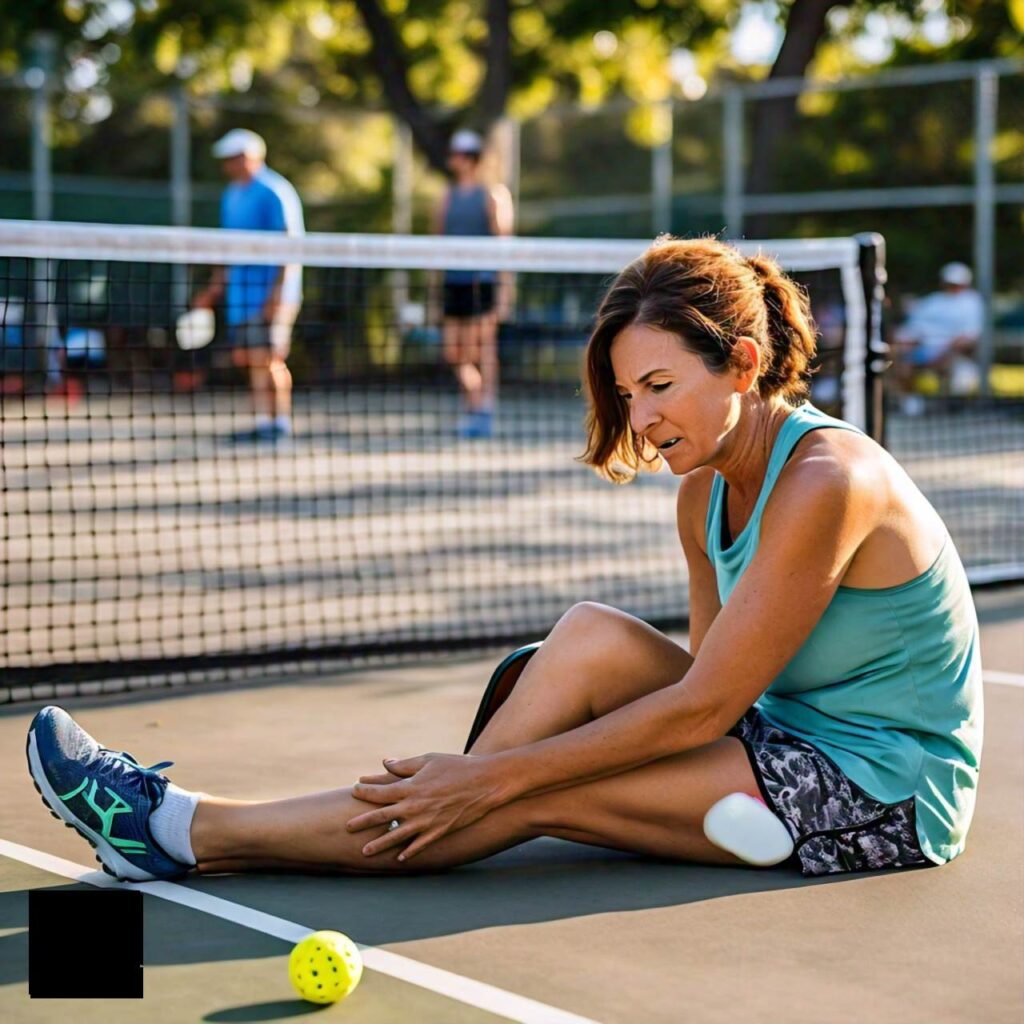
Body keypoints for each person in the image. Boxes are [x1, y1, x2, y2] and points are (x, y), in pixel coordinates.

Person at [27, 237, 982, 882]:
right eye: (626, 391)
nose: (642, 420)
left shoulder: (830, 479)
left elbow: (705, 708)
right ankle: (437, 815)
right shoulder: (703, 490)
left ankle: (178, 828)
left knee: (532, 792)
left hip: (882, 791)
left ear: (739, 361)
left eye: (660, 385)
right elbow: (706, 681)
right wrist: (504, 763)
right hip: (779, 741)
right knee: (587, 638)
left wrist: (500, 780)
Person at [191, 129, 304, 442]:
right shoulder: (232, 194)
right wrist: (215, 288)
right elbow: (229, 248)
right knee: (250, 358)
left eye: (234, 157)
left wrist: (279, 294)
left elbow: (291, 247)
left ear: (251, 157)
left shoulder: (275, 191)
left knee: (270, 359)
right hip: (242, 295)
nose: (228, 164)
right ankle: (263, 422)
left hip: (272, 294)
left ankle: (280, 422)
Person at [434, 129, 514, 439]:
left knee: (481, 349)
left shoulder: (493, 196)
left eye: (460, 153)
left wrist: (505, 293)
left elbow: (505, 247)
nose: (454, 158)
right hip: (453, 285)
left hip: (482, 285)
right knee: (454, 353)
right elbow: (436, 244)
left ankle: (482, 410)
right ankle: (477, 399)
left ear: (472, 159)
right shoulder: (446, 197)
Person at [893, 261, 984, 412]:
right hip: (924, 350)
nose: (953, 287)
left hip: (951, 353)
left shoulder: (973, 303)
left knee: (954, 370)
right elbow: (912, 329)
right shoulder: (932, 301)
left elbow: (969, 336)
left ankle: (951, 404)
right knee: (898, 361)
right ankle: (911, 403)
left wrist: (945, 352)